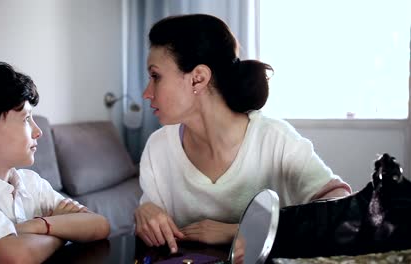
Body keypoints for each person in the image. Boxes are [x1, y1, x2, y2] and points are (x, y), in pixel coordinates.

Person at [134, 14, 352, 254]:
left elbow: (339, 205)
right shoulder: (157, 148)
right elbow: (153, 233)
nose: (146, 92)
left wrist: (239, 230)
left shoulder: (275, 139)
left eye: (155, 76)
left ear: (199, 78)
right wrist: (145, 214)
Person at [0, 62, 110, 264]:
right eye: (26, 119)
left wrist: (36, 226)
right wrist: (65, 230)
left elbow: (100, 225)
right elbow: (17, 257)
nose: (38, 131)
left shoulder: (30, 182)